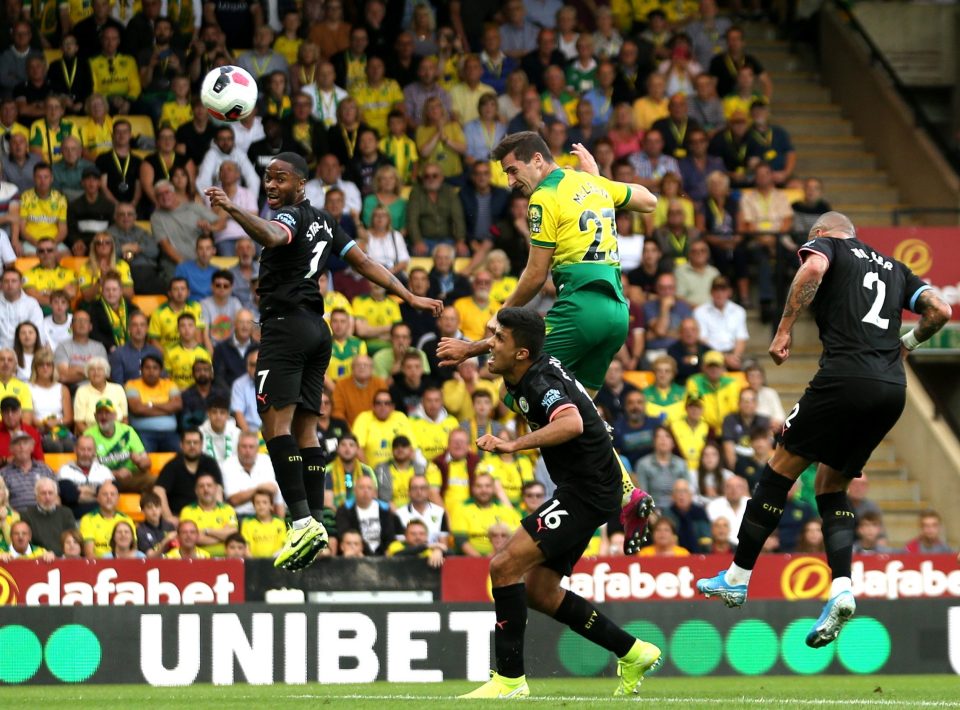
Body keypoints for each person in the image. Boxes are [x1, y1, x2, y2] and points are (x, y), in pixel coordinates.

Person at [697, 211, 952, 649]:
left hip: (843, 379)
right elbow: (940, 310)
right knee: (831, 486)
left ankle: (738, 577)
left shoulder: (827, 248)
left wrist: (783, 329)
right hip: (892, 390)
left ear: (819, 234)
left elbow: (812, 268)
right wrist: (904, 347)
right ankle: (842, 588)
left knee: (779, 469)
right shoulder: (896, 267)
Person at [205, 151, 442, 570]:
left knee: (273, 426)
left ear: (301, 184)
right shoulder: (327, 221)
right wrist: (408, 295)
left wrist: (230, 207)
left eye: (280, 179)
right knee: (306, 430)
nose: (271, 185)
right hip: (318, 330)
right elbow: (365, 262)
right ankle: (315, 521)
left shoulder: (291, 218)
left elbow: (274, 237)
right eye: (267, 179)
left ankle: (299, 521)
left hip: (285, 328)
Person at [458, 308, 659, 699]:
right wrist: (471, 350)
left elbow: (572, 423)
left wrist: (512, 445)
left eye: (499, 339)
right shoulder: (525, 374)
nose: (490, 345)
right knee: (541, 592)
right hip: (589, 488)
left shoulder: (540, 381)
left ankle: (510, 681)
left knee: (503, 565)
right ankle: (633, 651)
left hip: (586, 492)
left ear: (521, 353)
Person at [154, 428, 222, 523]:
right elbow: (158, 490)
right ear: (181, 445)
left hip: (208, 515)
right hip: (180, 518)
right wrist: (168, 517)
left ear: (202, 445)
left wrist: (219, 515)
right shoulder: (172, 465)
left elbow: (218, 489)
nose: (192, 446)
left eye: (195, 442)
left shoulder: (210, 464)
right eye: (188, 442)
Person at [84, 397, 151, 492]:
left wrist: (140, 461)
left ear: (114, 415)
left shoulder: (127, 431)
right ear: (95, 416)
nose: (103, 416)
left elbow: (147, 463)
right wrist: (114, 473)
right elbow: (86, 468)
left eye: (107, 413)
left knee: (155, 481)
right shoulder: (88, 435)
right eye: (100, 413)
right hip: (103, 481)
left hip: (130, 477)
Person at [451, 472, 521, 557]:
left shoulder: (506, 510)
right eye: (479, 486)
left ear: (494, 489)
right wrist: (481, 561)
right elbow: (460, 540)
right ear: (473, 488)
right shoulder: (462, 508)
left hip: (500, 558)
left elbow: (514, 539)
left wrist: (493, 557)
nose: (483, 490)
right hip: (469, 560)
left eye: (487, 486)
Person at [125, 353, 182, 452]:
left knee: (182, 457)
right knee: (143, 460)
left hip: (169, 434)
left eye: (155, 368)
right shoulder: (132, 385)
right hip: (144, 433)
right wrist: (167, 409)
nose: (151, 371)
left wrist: (150, 405)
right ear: (141, 370)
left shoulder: (169, 384)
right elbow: (137, 409)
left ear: (161, 370)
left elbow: (177, 405)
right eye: (147, 368)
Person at [334, 473, 401, 556]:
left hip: (383, 556)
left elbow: (390, 536)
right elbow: (345, 535)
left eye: (369, 488)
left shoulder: (385, 510)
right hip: (357, 554)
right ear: (354, 491)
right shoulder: (344, 510)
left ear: (375, 492)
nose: (365, 491)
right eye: (361, 487)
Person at [221, 430, 282, 519]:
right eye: (244, 446)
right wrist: (259, 488)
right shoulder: (228, 465)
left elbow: (273, 490)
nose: (247, 450)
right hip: (238, 516)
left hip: (266, 516)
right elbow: (233, 500)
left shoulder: (265, 461)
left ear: (257, 449)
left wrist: (280, 522)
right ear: (237, 448)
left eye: (251, 447)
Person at [178, 472, 239, 557]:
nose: (206, 489)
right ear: (196, 491)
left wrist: (207, 531)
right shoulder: (187, 511)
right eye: (201, 486)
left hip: (224, 558)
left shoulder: (228, 509)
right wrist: (223, 537)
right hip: (198, 559)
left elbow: (233, 534)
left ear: (216, 489)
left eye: (209, 485)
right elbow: (191, 538)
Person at [56, 434, 113, 518]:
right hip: (73, 520)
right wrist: (99, 494)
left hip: (101, 519)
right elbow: (69, 497)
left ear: (95, 451)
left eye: (89, 450)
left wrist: (80, 492)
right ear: (75, 450)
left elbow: (111, 497)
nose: (86, 453)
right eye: (82, 449)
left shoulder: (104, 471)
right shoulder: (65, 470)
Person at [18, 477, 77, 555]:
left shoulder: (66, 513)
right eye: (43, 493)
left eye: (50, 493)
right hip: (38, 559)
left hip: (63, 559)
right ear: (36, 496)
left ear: (56, 495)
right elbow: (26, 543)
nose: (47, 497)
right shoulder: (26, 515)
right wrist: (42, 553)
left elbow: (73, 539)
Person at [78, 480, 133, 558]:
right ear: (98, 498)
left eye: (112, 494)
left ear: (118, 498)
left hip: (123, 563)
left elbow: (133, 549)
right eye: (105, 494)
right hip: (98, 565)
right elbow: (89, 553)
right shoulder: (88, 519)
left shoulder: (127, 519)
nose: (109, 497)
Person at [240, 489, 287, 558]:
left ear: (271, 505)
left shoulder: (279, 522)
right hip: (255, 563)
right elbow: (245, 547)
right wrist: (254, 563)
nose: (261, 505)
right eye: (257, 503)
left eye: (264, 502)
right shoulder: (247, 523)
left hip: (275, 563)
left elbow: (284, 545)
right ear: (254, 505)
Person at [136, 490, 176, 558]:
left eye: (157, 506)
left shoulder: (169, 526)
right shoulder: (140, 530)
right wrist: (166, 541)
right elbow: (150, 556)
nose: (154, 510)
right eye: (149, 507)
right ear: (143, 511)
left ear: (161, 509)